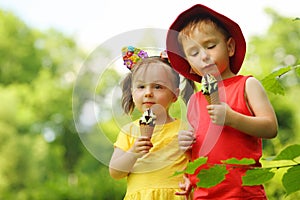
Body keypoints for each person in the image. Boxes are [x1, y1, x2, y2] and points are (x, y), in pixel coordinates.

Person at [166, 4, 278, 199]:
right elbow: (199, 151)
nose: (204, 56)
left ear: (230, 47)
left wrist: (232, 118)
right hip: (204, 194)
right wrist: (188, 171)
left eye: (210, 46)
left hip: (244, 192)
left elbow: (270, 128)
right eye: (194, 53)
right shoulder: (194, 101)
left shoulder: (247, 85)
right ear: (190, 65)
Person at [109, 46, 195, 199]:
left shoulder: (186, 128)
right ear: (132, 92)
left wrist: (191, 178)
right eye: (141, 86)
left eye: (158, 87)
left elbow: (198, 166)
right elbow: (115, 172)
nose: (148, 92)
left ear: (175, 95)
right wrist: (134, 152)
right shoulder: (129, 130)